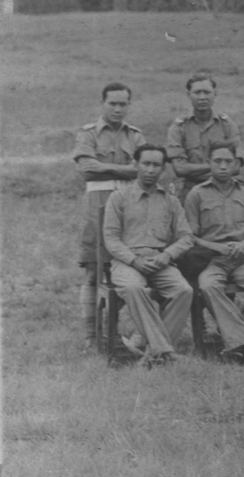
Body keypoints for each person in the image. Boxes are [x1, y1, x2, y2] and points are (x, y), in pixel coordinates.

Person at [102, 143, 195, 365]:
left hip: (160, 261)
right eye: (146, 164)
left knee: (183, 290)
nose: (151, 170)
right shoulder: (119, 198)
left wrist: (167, 256)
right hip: (128, 261)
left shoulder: (170, 201)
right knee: (133, 288)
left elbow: (186, 237)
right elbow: (111, 239)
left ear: (163, 169)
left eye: (157, 165)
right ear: (136, 164)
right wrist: (134, 260)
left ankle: (153, 355)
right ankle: (164, 351)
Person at [183, 143, 244, 364]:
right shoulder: (197, 194)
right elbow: (189, 236)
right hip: (211, 260)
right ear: (209, 164)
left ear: (236, 164)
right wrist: (216, 247)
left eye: (228, 162)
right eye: (217, 161)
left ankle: (240, 340)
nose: (223, 166)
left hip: (243, 258)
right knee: (208, 286)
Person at [74, 82, 143, 344]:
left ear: (129, 105)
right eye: (112, 103)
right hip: (96, 206)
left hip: (127, 206)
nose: (117, 108)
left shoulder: (135, 135)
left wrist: (108, 168)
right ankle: (92, 335)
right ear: (102, 104)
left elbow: (143, 168)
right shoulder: (88, 133)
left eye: (123, 104)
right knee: (93, 270)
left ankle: (112, 333)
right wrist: (124, 169)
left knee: (122, 271)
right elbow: (86, 168)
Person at [165, 73, 241, 200]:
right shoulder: (179, 127)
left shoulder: (227, 125)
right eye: (197, 92)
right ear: (188, 94)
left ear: (214, 93)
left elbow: (237, 167)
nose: (202, 97)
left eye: (207, 92)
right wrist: (217, 166)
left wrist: (196, 168)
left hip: (223, 189)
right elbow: (179, 169)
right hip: (191, 189)